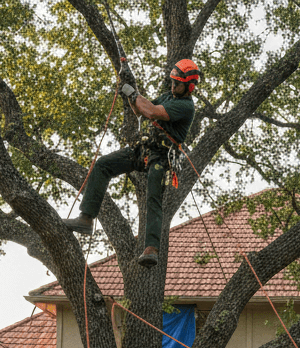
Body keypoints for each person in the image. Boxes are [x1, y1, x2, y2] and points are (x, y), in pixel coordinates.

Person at [63, 58, 201, 268]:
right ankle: (86, 218)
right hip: (145, 150)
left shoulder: (185, 106)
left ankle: (151, 249)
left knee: (153, 194)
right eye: (172, 82)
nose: (173, 87)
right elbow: (140, 110)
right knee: (103, 165)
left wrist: (134, 94)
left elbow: (152, 112)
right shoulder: (168, 96)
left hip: (161, 157)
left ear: (189, 86)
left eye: (177, 84)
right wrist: (130, 92)